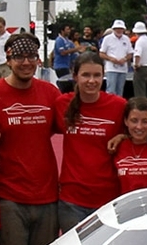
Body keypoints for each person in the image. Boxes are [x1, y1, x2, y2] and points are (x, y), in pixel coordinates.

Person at [0, 32, 61, 245]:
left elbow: (78, 121)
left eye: (31, 56)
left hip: (47, 197)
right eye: (19, 57)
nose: (26, 62)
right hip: (9, 198)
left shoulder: (50, 93)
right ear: (8, 60)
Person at [54, 53, 126, 232]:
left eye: (97, 75)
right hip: (71, 200)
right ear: (75, 76)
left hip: (107, 199)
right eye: (86, 75)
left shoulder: (119, 106)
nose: (91, 81)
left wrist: (123, 137)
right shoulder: (61, 104)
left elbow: (142, 133)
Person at [99, 19, 133, 97]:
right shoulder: (107, 39)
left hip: (122, 69)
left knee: (120, 90)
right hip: (111, 68)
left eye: (121, 28)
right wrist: (111, 59)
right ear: (113, 29)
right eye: (117, 28)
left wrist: (124, 59)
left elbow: (130, 53)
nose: (119, 30)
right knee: (111, 90)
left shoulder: (126, 39)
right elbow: (101, 53)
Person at [131, 21, 147, 101]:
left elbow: (138, 54)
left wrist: (136, 64)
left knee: (140, 91)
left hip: (141, 68)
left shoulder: (139, 41)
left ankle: (141, 108)